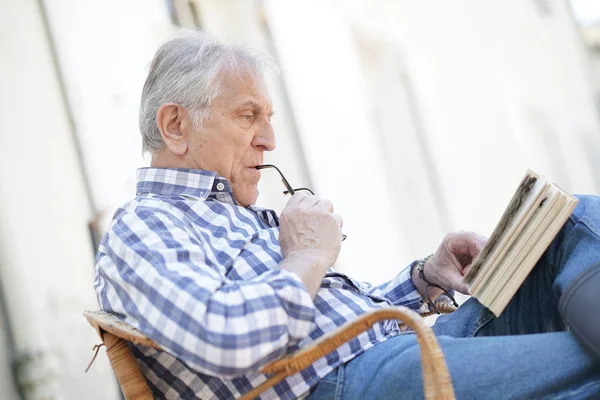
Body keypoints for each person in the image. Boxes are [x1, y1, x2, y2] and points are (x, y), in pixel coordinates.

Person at [94, 30, 600, 399]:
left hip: (394, 353)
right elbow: (225, 340)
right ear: (176, 125)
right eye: (248, 116)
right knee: (587, 366)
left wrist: (425, 278)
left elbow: (332, 323)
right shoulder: (143, 225)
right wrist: (309, 255)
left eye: (268, 119)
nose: (269, 140)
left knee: (568, 221)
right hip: (349, 383)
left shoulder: (237, 215)